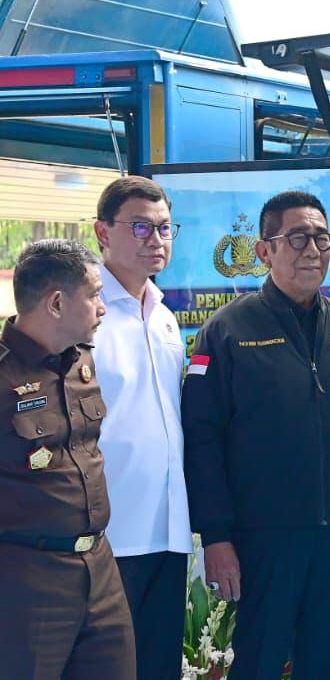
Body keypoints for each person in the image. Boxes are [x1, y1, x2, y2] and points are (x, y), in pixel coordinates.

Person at [182, 190, 330, 678]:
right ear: (264, 250)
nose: (312, 250)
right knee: (261, 658)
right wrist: (216, 536)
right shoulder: (228, 331)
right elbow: (202, 441)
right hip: (263, 535)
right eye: (297, 238)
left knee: (327, 660)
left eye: (322, 239)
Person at [0, 239, 134, 679]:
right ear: (57, 302)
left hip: (99, 568)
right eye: (94, 294)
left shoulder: (84, 363)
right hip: (26, 580)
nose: (102, 307)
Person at [92, 176, 191, 680]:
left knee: (157, 666)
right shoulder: (85, 315)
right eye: (140, 228)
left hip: (167, 529)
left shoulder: (166, 317)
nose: (156, 240)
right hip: (109, 531)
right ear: (102, 233)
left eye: (165, 228)